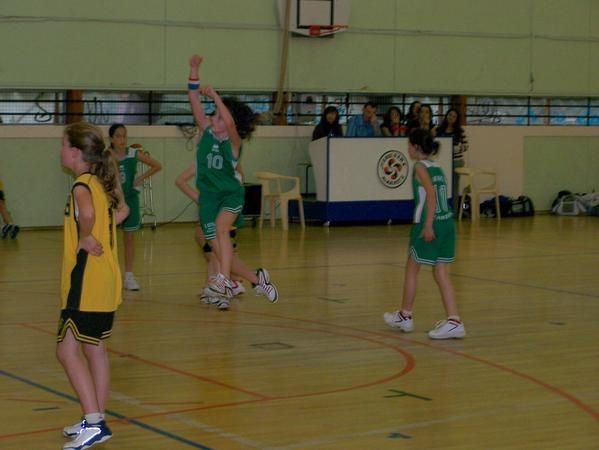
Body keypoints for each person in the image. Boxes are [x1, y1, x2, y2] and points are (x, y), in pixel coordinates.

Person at [184, 53, 278, 310]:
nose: (212, 118)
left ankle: (224, 282)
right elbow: (193, 99)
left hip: (230, 195)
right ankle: (257, 280)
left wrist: (216, 97)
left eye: (217, 116)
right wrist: (194, 71)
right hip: (210, 198)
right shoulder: (206, 133)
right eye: (212, 115)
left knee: (221, 233)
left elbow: (229, 121)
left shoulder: (232, 142)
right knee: (216, 247)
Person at [57, 122, 129, 450]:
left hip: (86, 282)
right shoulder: (102, 183)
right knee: (95, 350)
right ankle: (95, 418)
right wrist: (94, 230)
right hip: (106, 279)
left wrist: (86, 235)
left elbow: (86, 213)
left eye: (63, 144)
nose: (60, 150)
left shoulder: (82, 186)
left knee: (67, 350)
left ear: (74, 152)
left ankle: (95, 422)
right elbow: (122, 211)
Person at [383, 128, 465, 339]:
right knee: (441, 272)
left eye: (409, 144)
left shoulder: (419, 166)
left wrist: (428, 224)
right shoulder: (436, 166)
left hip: (431, 223)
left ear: (416, 147)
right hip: (448, 222)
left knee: (412, 268)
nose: (407, 148)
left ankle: (405, 315)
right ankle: (454, 320)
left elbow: (430, 195)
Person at [108, 123, 162, 291]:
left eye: (124, 136)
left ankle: (129, 275)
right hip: (112, 201)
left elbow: (157, 165)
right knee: (108, 240)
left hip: (130, 200)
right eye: (118, 136)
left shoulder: (133, 153)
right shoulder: (106, 155)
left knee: (129, 238)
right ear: (111, 139)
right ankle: (109, 274)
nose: (122, 139)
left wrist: (140, 178)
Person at [436, 108, 468, 210]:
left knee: (454, 187)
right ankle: (440, 208)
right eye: (450, 115)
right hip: (442, 161)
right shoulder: (438, 130)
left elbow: (466, 146)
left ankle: (453, 210)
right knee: (441, 185)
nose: (451, 118)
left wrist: (454, 148)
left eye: (454, 116)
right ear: (446, 116)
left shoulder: (460, 131)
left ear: (457, 119)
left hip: (456, 162)